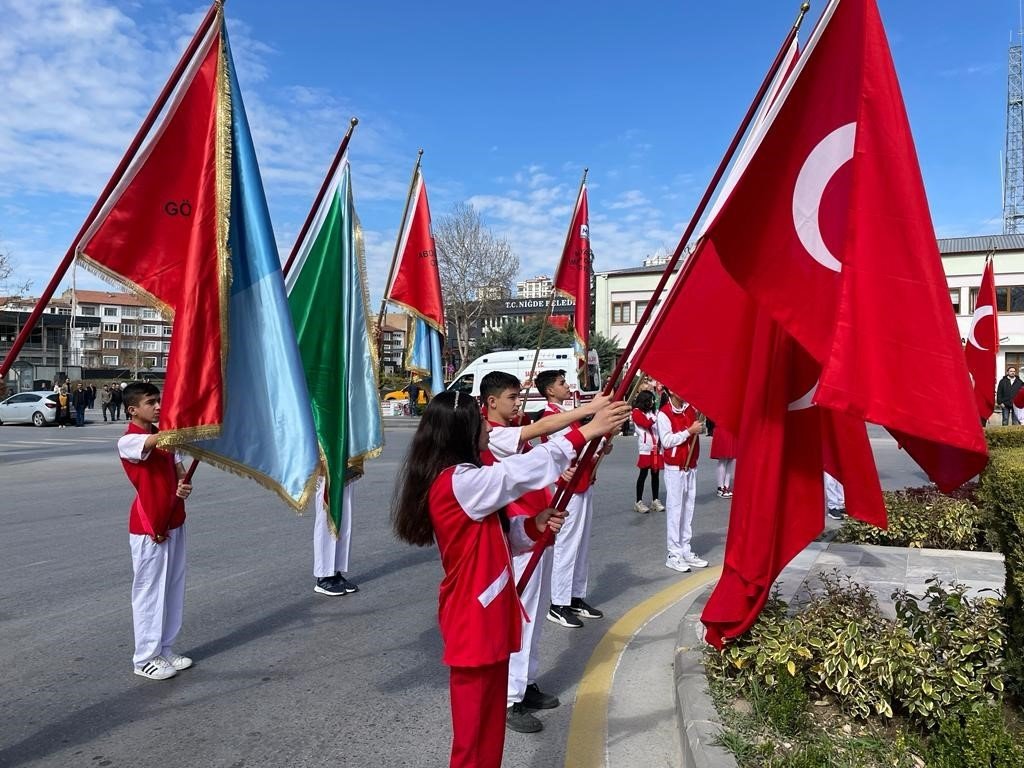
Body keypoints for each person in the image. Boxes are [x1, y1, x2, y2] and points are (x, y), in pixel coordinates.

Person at [392, 390, 627, 768]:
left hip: (490, 615)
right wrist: (584, 433)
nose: (487, 425)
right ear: (463, 432)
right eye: (479, 421)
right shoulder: (456, 480)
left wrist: (532, 526)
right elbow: (517, 474)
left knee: (489, 732)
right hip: (473, 619)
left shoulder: (467, 479)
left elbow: (498, 536)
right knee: (472, 739)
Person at [478, 370, 613, 734]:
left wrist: (560, 473)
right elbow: (537, 432)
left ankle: (525, 681)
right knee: (521, 615)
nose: (517, 403)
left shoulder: (513, 431)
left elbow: (538, 458)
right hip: (518, 534)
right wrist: (589, 414)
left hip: (537, 526)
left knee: (534, 615)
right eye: (511, 397)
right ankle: (509, 696)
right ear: (491, 402)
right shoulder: (495, 434)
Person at [117, 382, 193, 681]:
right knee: (149, 591)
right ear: (133, 409)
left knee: (173, 586)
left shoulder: (165, 439)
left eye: (159, 400)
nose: (158, 406)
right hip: (149, 525)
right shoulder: (129, 441)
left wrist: (184, 486)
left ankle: (164, 647)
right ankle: (144, 657)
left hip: (175, 518)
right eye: (151, 402)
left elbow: (180, 473)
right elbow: (149, 445)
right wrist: (182, 428)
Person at [534, 369, 607, 629]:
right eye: (562, 383)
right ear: (550, 390)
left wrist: (600, 446)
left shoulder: (567, 416)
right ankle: (558, 603)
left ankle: (576, 596)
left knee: (582, 543)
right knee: (567, 544)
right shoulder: (551, 417)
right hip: (566, 489)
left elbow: (586, 444)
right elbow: (564, 447)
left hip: (583, 483)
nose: (567, 386)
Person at [657, 388, 708, 572]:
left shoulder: (690, 409)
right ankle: (673, 554)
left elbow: (695, 429)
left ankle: (685, 549)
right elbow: (667, 441)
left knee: (688, 509)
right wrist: (689, 431)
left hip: (690, 466)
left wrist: (695, 429)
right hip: (674, 468)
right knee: (675, 510)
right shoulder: (664, 414)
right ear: (670, 391)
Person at [312, 474, 360, 597]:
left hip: (344, 458)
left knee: (345, 511)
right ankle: (323, 576)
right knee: (327, 513)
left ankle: (335, 571)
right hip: (326, 460)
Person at [631, 389, 664, 514]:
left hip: (656, 447)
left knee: (655, 474)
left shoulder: (652, 412)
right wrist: (656, 417)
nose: (652, 403)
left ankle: (655, 500)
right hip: (645, 448)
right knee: (643, 474)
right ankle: (638, 501)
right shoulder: (636, 412)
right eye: (650, 400)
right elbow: (645, 424)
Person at [710, 425, 737, 499]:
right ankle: (720, 487)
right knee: (723, 458)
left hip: (733, 430)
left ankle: (726, 486)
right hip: (722, 428)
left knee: (731, 458)